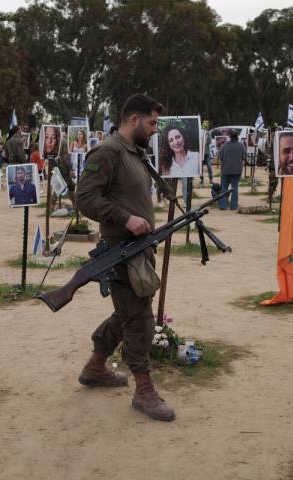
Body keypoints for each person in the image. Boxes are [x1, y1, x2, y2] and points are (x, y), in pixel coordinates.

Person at [76, 93, 175, 422]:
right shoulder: (108, 152)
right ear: (134, 119)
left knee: (126, 312)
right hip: (121, 252)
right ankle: (144, 390)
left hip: (138, 249)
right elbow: (85, 197)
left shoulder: (135, 153)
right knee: (139, 319)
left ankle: (94, 367)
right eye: (152, 122)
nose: (155, 129)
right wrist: (125, 218)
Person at [218, 130, 246, 210]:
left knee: (224, 188)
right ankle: (233, 206)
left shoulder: (224, 145)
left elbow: (220, 157)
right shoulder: (241, 145)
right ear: (237, 136)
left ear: (230, 137)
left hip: (225, 170)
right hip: (237, 170)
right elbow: (244, 157)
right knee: (234, 188)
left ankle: (223, 206)